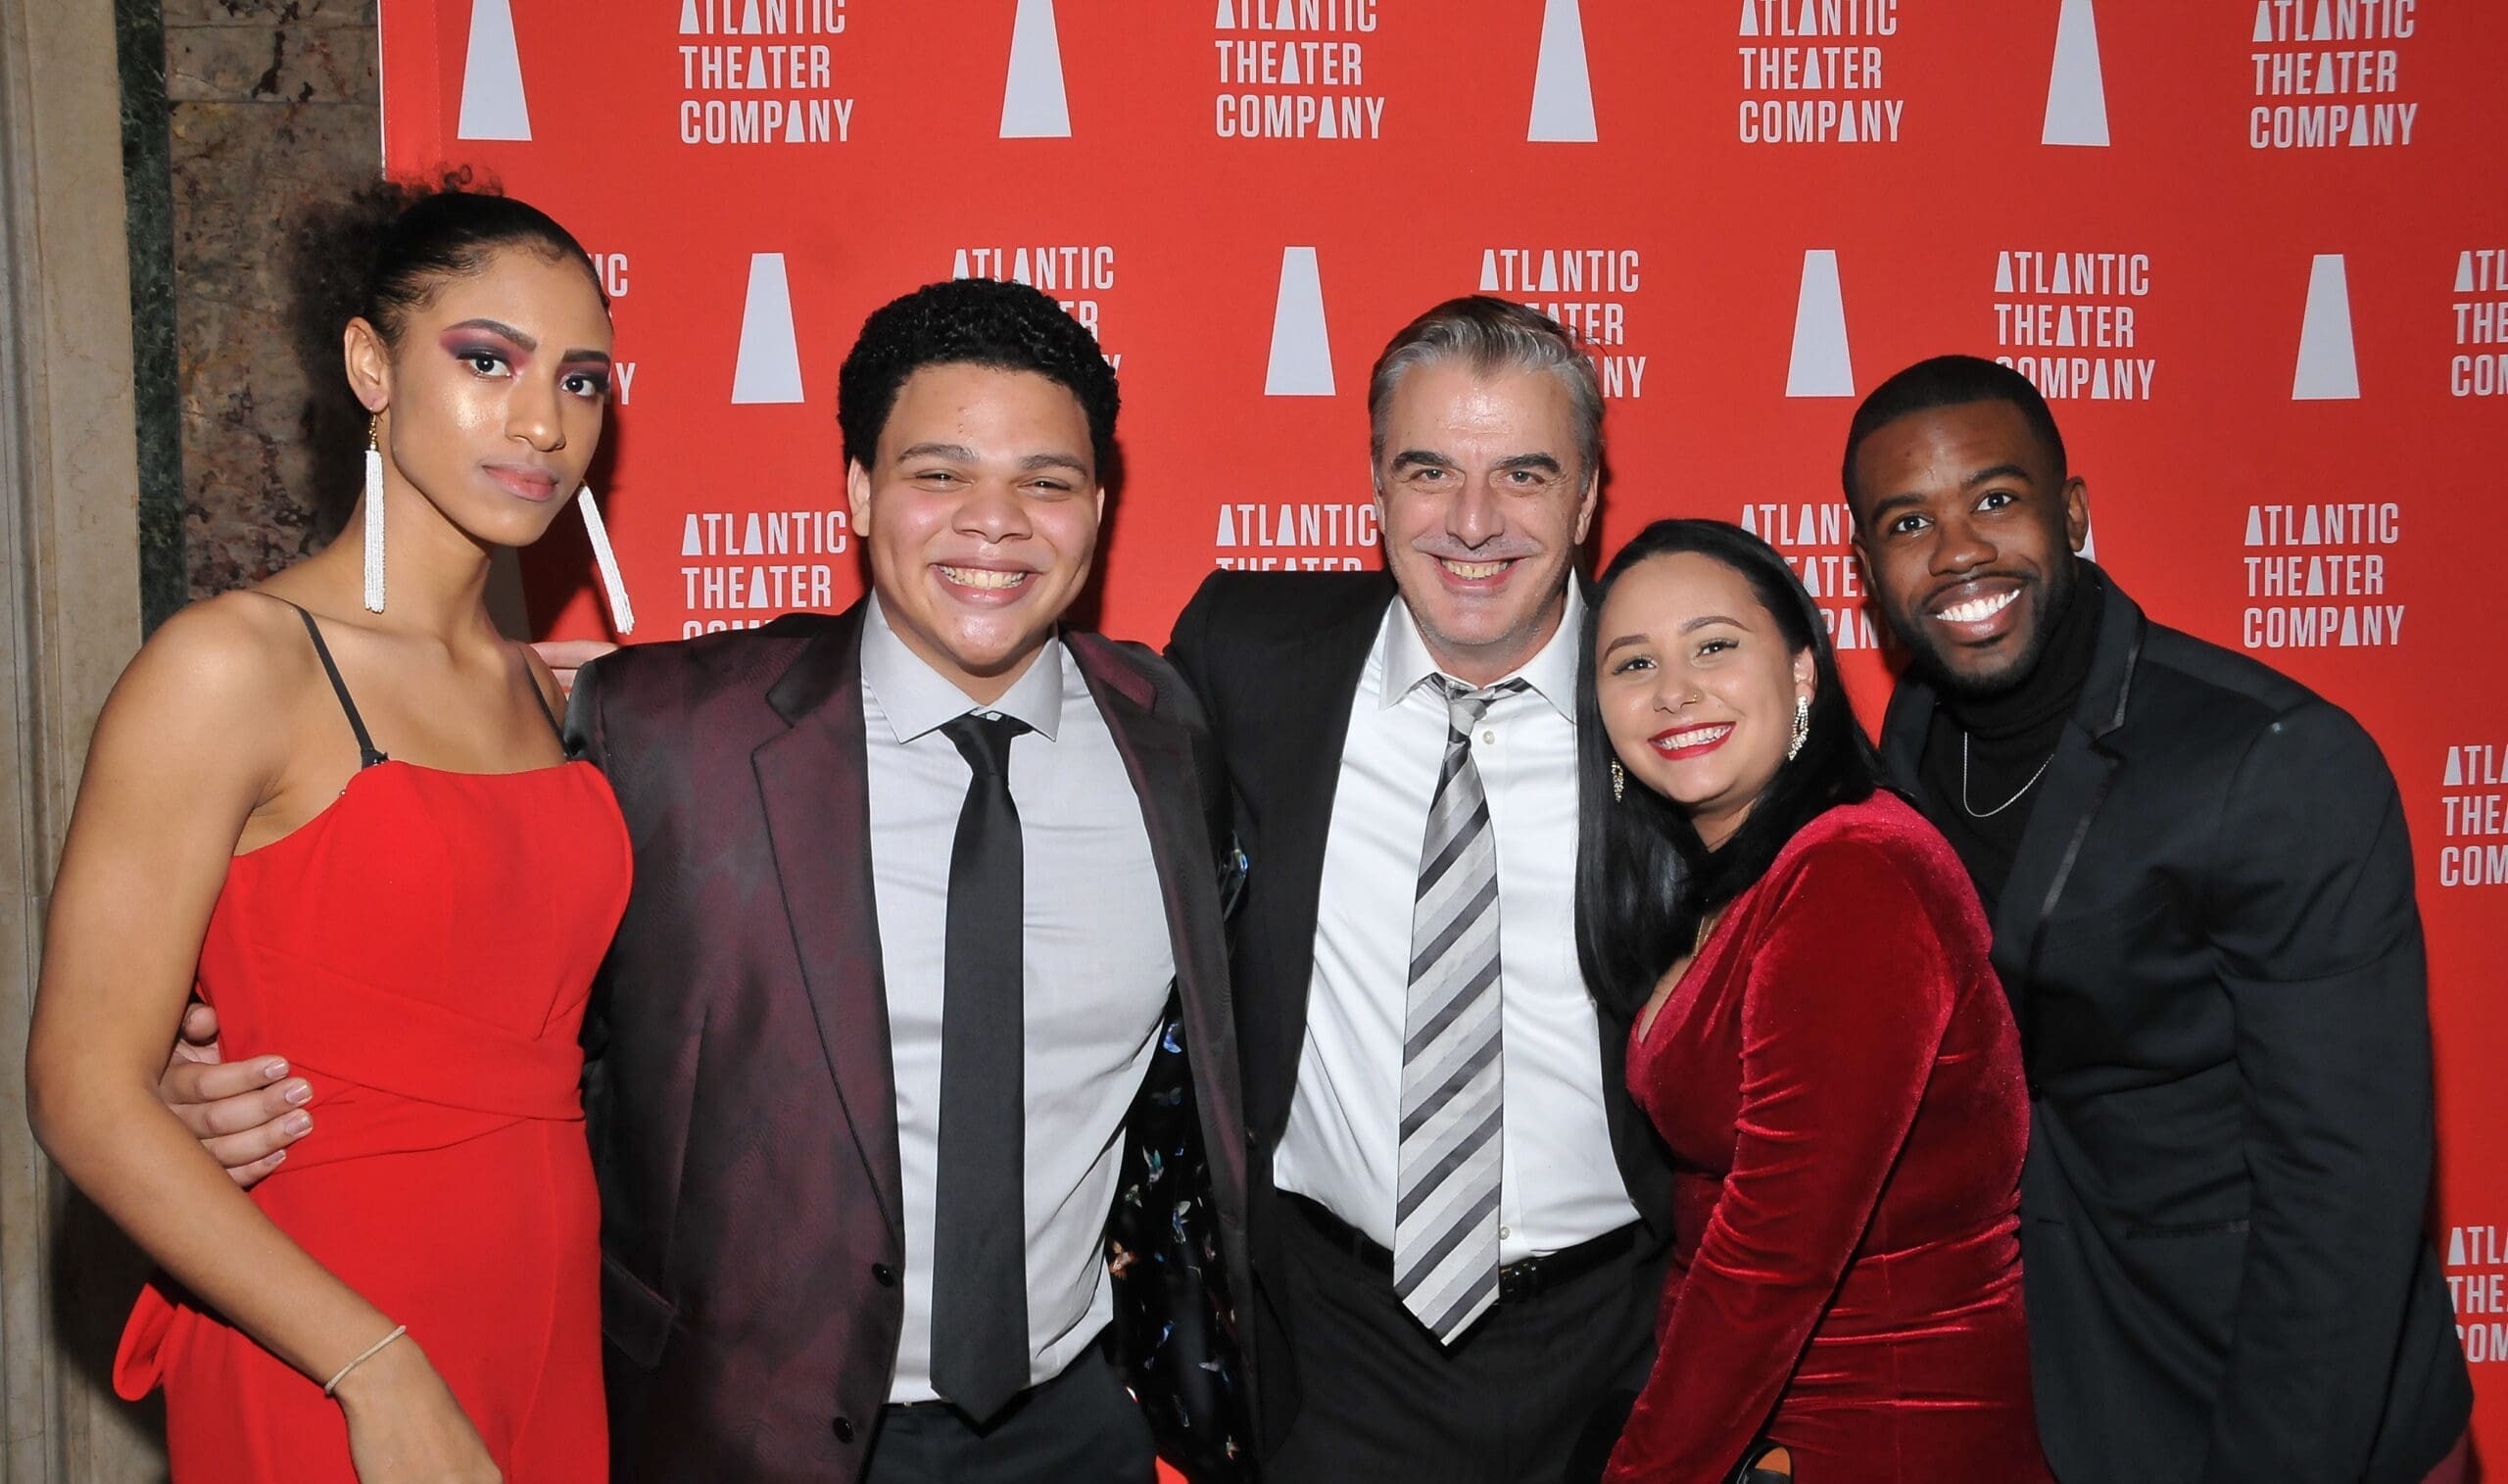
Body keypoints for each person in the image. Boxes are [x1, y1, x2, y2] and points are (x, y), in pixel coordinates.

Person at [25, 187, 630, 1482]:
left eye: (583, 382)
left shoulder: (572, 693)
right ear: (372, 364)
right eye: (486, 361)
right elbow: (82, 1087)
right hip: (328, 1334)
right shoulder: (231, 667)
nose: (543, 423)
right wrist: (373, 1363)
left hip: (550, 1325)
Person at [1845, 355, 2474, 1484]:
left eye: (1994, 499)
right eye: (1907, 522)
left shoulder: (2272, 760)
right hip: (2055, 1395)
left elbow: (2344, 1193)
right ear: (1865, 568)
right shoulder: (1911, 747)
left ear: (2071, 513)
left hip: (2278, 1396)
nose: (1956, 554)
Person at [1169, 296, 1671, 1482]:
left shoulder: (1678, 701)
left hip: (1620, 1345)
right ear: (1378, 489)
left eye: (1526, 476)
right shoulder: (1245, 654)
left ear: (1590, 498)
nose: (1474, 521)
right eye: (1430, 469)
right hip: (1323, 1339)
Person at [1573, 517, 2052, 1484]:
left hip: (1882, 1439)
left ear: (1799, 675)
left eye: (1713, 646)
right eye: (1632, 665)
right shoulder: (1738, 884)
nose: (1674, 691)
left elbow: (1773, 1254)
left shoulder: (1855, 873)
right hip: (1764, 1435)